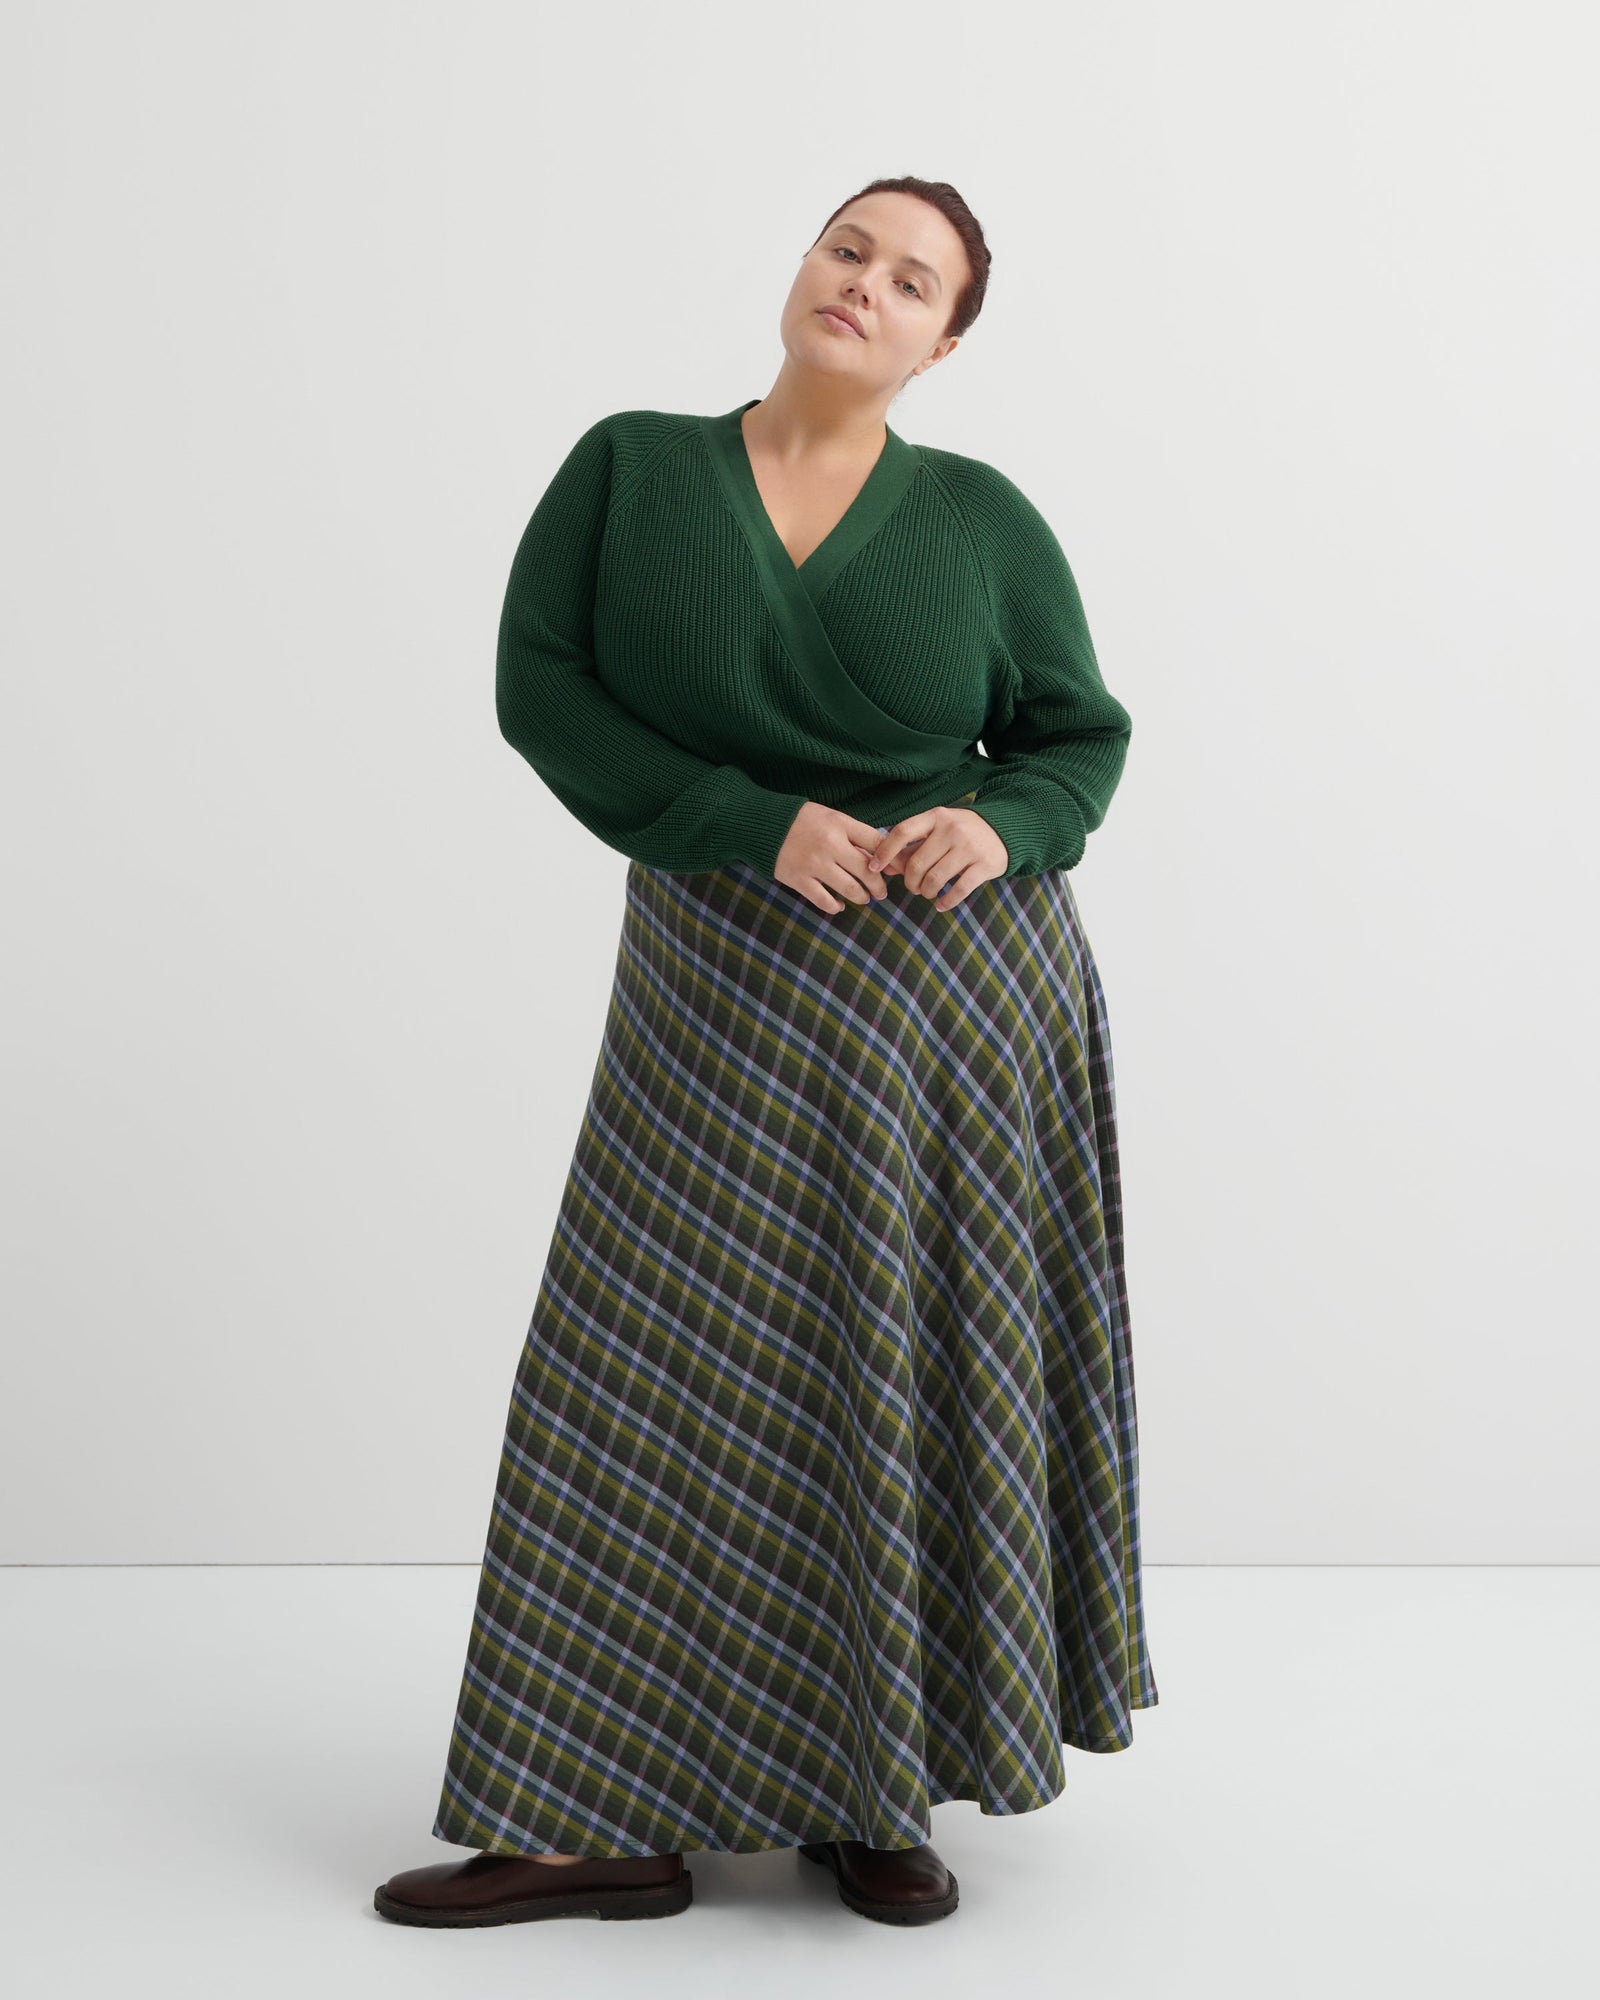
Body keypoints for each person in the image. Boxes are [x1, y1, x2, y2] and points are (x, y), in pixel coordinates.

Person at [374, 175, 1157, 1932]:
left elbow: (1077, 740)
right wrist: (747, 819)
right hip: (718, 975)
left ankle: (873, 1788)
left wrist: (1003, 825)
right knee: (639, 1367)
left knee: (900, 1371)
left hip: (950, 1007)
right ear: (804, 267)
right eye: (848, 247)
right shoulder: (632, 471)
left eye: (913, 281)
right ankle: (586, 1816)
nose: (865, 285)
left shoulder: (982, 520)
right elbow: (542, 690)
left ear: (944, 343)